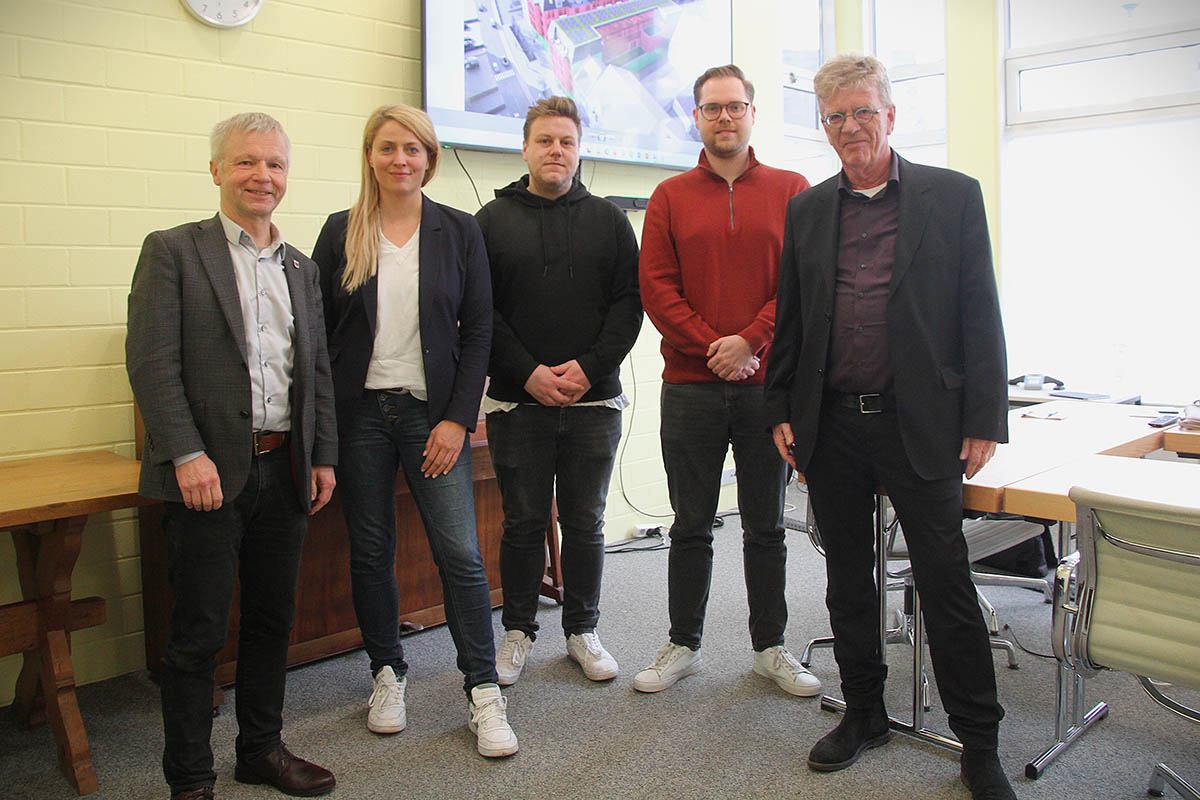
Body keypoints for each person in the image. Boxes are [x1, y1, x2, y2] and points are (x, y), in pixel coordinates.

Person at [764, 54, 1014, 800]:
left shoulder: (951, 197)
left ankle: (980, 742)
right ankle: (865, 713)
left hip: (923, 424)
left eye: (862, 112)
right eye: (835, 116)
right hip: (832, 423)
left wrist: (984, 417)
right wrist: (781, 407)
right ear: (824, 125)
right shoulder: (808, 209)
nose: (850, 127)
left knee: (945, 582)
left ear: (891, 116)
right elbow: (795, 318)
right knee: (847, 580)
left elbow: (980, 313)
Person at [126, 112, 338, 800]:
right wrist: (185, 453)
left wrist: (321, 455)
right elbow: (152, 364)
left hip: (284, 470)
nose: (262, 176)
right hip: (207, 476)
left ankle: (260, 750)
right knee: (199, 633)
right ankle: (189, 778)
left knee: (274, 620)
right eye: (247, 162)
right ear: (217, 169)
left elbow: (318, 373)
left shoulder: (301, 266)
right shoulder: (173, 251)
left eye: (274, 164)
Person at [311, 104, 516, 758]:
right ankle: (387, 672)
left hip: (434, 418)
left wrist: (459, 417)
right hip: (362, 417)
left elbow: (479, 331)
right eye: (388, 148)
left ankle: (484, 693)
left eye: (414, 149)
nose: (401, 159)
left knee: (459, 552)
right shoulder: (341, 231)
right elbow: (317, 340)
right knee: (370, 550)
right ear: (370, 155)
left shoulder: (458, 231)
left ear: (429, 158)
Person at [635, 64, 818, 697]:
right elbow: (656, 286)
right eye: (712, 108)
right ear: (697, 117)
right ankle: (682, 643)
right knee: (690, 523)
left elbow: (801, 281)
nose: (724, 117)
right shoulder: (669, 196)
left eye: (734, 106)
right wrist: (714, 347)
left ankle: (770, 647)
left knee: (766, 525)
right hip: (690, 387)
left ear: (751, 113)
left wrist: (752, 341)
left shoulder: (793, 188)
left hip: (769, 388)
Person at [475, 97, 642, 686]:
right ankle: (517, 631)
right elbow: (482, 312)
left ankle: (582, 630)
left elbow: (629, 306)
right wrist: (529, 374)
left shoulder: (609, 220)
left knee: (586, 521)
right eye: (544, 141)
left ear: (579, 150)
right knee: (522, 523)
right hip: (519, 403)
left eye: (566, 142)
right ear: (524, 148)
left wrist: (587, 369)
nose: (555, 151)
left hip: (593, 402)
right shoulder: (490, 222)